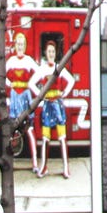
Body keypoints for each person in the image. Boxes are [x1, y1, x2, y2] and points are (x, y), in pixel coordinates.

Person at [30, 40, 77, 179]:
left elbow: (71, 81)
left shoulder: (59, 67)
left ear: (55, 53)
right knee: (45, 139)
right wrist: (41, 94)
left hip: (58, 105)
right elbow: (31, 83)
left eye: (53, 51)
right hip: (47, 107)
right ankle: (43, 167)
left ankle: (66, 168)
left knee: (62, 138)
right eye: (49, 51)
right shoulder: (42, 68)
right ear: (46, 53)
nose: (51, 54)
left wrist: (64, 93)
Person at [3, 31, 38, 158]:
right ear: (15, 45)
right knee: (13, 128)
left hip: (25, 96)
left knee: (29, 130)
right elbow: (1, 74)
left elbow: (40, 73)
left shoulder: (29, 61)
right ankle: (10, 159)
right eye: (18, 44)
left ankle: (35, 162)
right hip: (14, 97)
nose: (20, 46)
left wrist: (31, 83)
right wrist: (9, 84)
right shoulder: (11, 61)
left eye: (22, 44)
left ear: (25, 45)